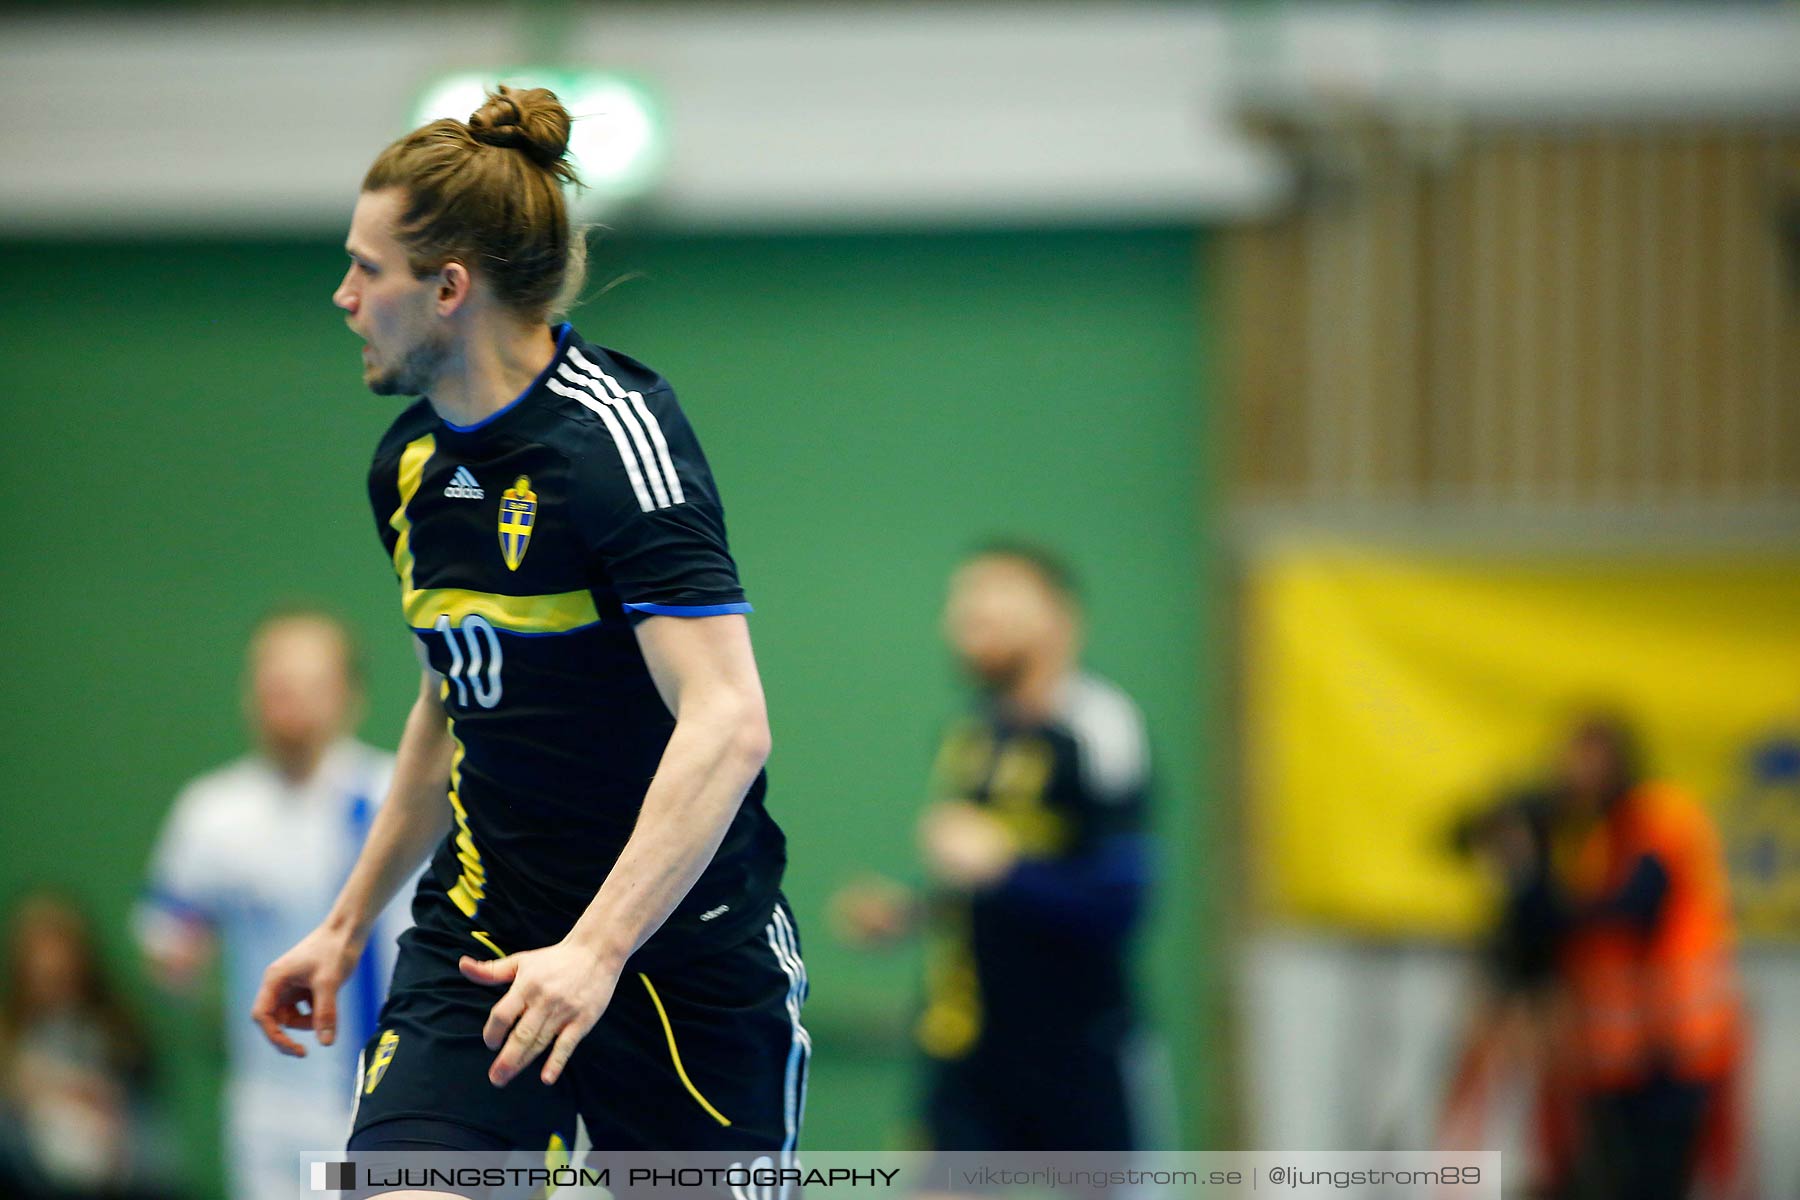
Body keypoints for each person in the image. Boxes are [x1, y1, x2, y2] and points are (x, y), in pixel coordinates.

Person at [252, 84, 802, 1165]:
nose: (342, 297)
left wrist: (595, 955)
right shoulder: (407, 469)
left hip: (674, 962)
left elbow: (729, 722)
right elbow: (452, 698)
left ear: (448, 287)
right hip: (483, 947)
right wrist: (348, 921)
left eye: (367, 269)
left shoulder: (614, 450)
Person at [836, 543, 1156, 1152]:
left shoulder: (1100, 729)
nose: (967, 616)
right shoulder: (972, 734)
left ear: (1059, 618)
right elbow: (977, 891)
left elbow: (1125, 903)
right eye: (961, 602)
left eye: (993, 596)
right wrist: (908, 914)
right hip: (969, 1046)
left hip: (1078, 1047)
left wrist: (1006, 869)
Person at [136, 608, 403, 1200]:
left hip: (381, 1101)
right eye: (274, 683)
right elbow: (169, 945)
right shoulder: (211, 812)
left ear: (349, 695)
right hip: (267, 1108)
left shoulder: (400, 803)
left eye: (310, 684)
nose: (289, 701)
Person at [1553, 714, 1744, 1200]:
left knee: (1658, 1178)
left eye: (1588, 759)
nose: (1575, 774)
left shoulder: (1658, 814)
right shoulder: (1596, 833)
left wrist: (1561, 909)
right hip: (1622, 1049)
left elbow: (1642, 902)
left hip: (1677, 1043)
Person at [0, 892, 169, 1200]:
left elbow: (150, 1148)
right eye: (40, 964)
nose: (52, 968)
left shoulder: (119, 1035)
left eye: (61, 960)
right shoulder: (9, 1041)